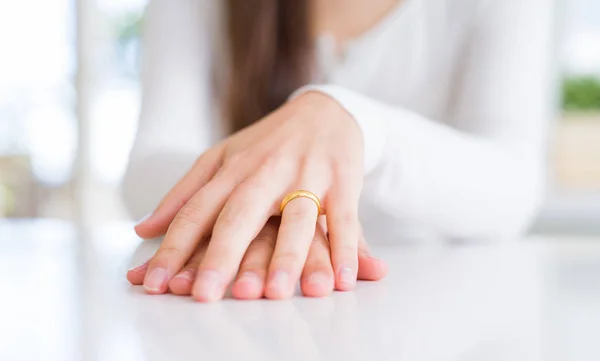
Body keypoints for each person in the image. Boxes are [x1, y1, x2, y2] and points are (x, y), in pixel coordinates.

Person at [123, 0, 554, 301]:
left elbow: (513, 184)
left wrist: (358, 126)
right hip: (259, 305)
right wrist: (264, 203)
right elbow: (147, 171)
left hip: (435, 303)